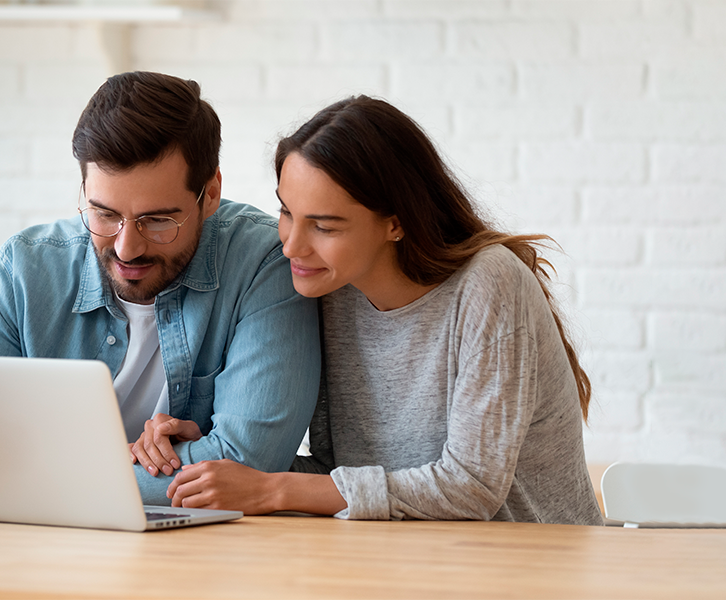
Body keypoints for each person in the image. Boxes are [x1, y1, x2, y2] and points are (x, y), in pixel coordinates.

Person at [150, 96, 604, 525]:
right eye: (287, 213)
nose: (289, 245)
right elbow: (342, 474)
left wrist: (274, 490)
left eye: (324, 226)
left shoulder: (488, 284)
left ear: (396, 222)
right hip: (413, 560)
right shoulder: (332, 290)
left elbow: (472, 486)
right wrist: (224, 463)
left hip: (534, 563)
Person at [0, 72, 321, 507]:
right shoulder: (24, 271)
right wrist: (112, 467)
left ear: (209, 194)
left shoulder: (264, 263)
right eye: (103, 214)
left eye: (157, 221)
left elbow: (249, 464)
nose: (127, 248)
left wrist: (23, 472)